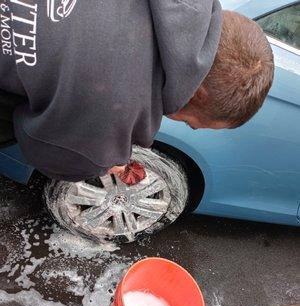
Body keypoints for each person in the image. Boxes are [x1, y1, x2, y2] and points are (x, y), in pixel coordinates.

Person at [0, 0, 274, 185]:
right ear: (197, 94)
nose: (183, 122)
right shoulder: (111, 104)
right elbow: (39, 144)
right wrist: (101, 160)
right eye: (192, 124)